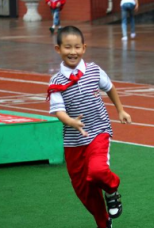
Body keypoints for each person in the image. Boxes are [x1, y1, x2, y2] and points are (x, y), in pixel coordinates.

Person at [47, 26, 132, 228]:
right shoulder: (56, 81)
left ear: (84, 48)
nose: (73, 52)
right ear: (58, 49)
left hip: (98, 131)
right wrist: (70, 121)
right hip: (74, 141)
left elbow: (110, 87)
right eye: (68, 47)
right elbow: (58, 111)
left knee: (97, 171)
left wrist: (120, 110)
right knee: (83, 188)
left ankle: (112, 189)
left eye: (77, 47)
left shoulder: (94, 70)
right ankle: (103, 222)